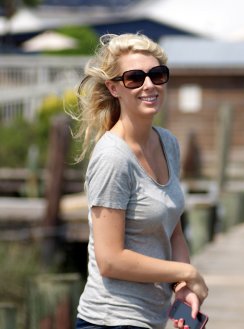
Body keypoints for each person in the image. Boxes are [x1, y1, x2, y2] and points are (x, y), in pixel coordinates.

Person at [72, 33, 208, 329]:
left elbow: (173, 230)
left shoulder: (168, 143)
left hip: (151, 318)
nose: (149, 85)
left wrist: (181, 287)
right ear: (114, 88)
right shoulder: (113, 157)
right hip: (110, 319)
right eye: (134, 78)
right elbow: (110, 260)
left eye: (157, 75)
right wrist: (186, 271)